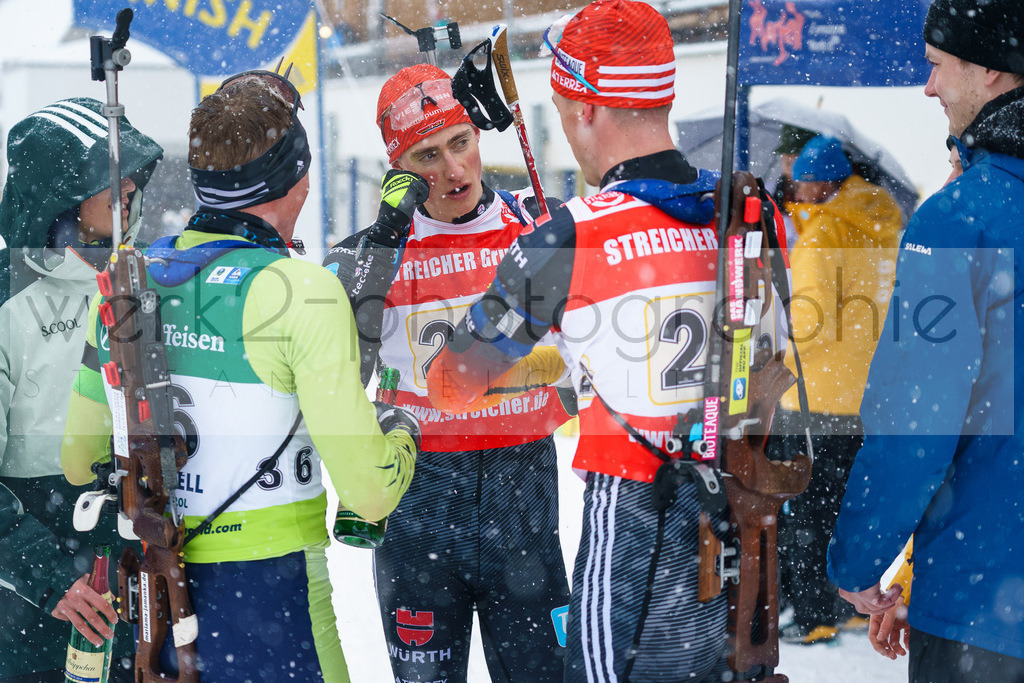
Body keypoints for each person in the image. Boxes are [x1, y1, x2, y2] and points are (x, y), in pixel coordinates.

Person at [424, 1, 790, 680]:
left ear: (587, 109)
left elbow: (452, 380)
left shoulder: (570, 234)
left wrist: (543, 319)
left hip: (634, 523)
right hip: (739, 527)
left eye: (564, 112)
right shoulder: (749, 208)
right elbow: (759, 357)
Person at [60, 72, 419, 682]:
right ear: (298, 178)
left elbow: (79, 457)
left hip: (163, 599)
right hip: (275, 600)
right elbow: (369, 492)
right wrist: (401, 430)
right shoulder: (303, 291)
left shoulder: (130, 280)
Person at [322, 63, 572, 683]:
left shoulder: (538, 228)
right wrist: (384, 240)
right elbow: (345, 371)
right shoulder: (366, 253)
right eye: (427, 155)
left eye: (460, 143)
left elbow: (589, 359)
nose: (453, 169)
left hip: (523, 488)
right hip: (420, 492)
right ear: (397, 165)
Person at [827, 0, 1024, 679]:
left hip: (985, 602)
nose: (928, 87)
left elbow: (917, 424)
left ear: (995, 70)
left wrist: (859, 560)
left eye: (939, 67)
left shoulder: (961, 217)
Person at [0, 97, 162, 682]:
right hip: (32, 587)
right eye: (108, 180)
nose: (128, 192)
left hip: (132, 558)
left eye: (132, 179)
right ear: (59, 194)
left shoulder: (143, 279)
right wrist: (48, 576)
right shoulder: (7, 302)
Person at [772, 134, 903, 645]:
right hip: (864, 392)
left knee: (804, 507)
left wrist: (773, 355)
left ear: (822, 183)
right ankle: (845, 600)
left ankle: (813, 613)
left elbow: (810, 323)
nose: (796, 189)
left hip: (814, 396)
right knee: (843, 503)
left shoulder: (824, 235)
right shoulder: (879, 226)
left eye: (802, 180)